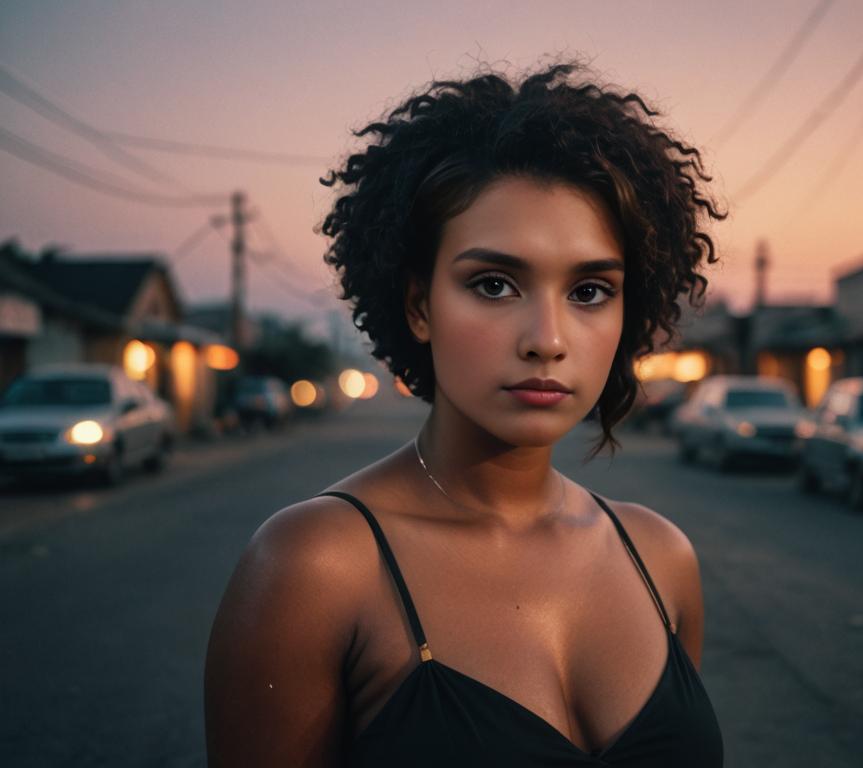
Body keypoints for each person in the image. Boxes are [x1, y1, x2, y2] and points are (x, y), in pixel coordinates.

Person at [205, 60, 726, 767]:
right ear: (419, 305)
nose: (546, 339)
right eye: (494, 283)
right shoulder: (315, 566)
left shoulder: (662, 559)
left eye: (591, 291)